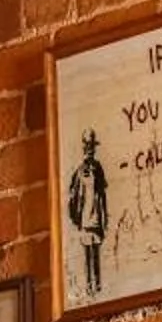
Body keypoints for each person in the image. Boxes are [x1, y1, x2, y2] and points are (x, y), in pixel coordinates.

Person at [66, 129, 110, 301]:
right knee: (88, 253)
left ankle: (96, 285)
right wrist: (75, 219)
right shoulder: (79, 172)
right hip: (86, 219)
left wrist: (104, 217)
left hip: (95, 218)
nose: (90, 150)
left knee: (95, 253)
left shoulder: (97, 168)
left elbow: (102, 194)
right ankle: (90, 286)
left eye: (91, 147)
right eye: (88, 147)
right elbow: (73, 196)